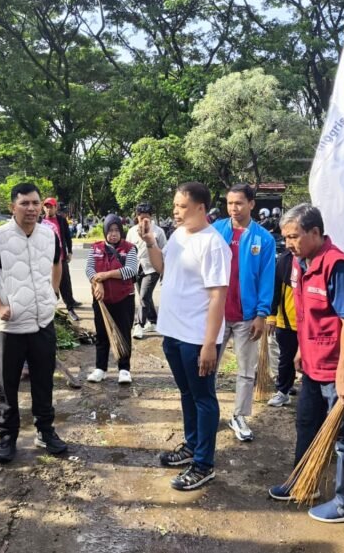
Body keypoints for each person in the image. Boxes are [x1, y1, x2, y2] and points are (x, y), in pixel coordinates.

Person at [268, 203, 344, 523]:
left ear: (315, 232)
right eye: (285, 237)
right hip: (313, 362)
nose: (288, 243)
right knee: (306, 423)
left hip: (339, 366)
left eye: (294, 236)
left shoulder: (336, 266)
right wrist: (301, 349)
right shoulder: (302, 261)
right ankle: (304, 480)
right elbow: (306, 314)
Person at [141, 182, 230, 491]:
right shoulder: (178, 236)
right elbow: (164, 268)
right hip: (173, 332)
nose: (175, 212)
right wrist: (151, 243)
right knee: (187, 393)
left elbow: (219, 296)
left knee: (204, 398)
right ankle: (192, 446)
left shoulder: (214, 244)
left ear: (201, 208)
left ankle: (204, 464)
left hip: (197, 337)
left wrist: (209, 344)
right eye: (175, 206)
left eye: (181, 206)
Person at [0, 182, 68, 463]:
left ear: (42, 206)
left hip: (43, 324)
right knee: (7, 384)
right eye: (25, 203)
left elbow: (57, 264)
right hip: (11, 327)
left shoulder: (49, 235)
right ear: (12, 207)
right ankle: (7, 436)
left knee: (43, 381)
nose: (31, 208)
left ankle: (45, 431)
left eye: (35, 203)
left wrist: (53, 293)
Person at [213, 184, 275, 441]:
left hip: (246, 316)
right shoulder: (216, 231)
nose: (233, 208)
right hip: (216, 314)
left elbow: (266, 279)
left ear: (252, 204)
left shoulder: (264, 239)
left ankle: (239, 416)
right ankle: (207, 411)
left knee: (246, 370)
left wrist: (262, 314)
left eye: (239, 203)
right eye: (230, 203)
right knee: (207, 367)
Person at [85, 214, 139, 384]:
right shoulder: (96, 248)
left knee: (123, 333)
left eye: (116, 230)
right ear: (105, 231)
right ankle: (101, 369)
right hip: (101, 300)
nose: (113, 234)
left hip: (124, 299)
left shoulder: (129, 248)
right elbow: (89, 270)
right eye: (110, 230)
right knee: (102, 335)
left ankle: (124, 369)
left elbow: (130, 270)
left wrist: (105, 275)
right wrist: (97, 282)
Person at [127, 203, 166, 340]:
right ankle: (154, 321)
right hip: (137, 268)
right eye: (140, 217)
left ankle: (139, 325)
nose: (142, 220)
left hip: (152, 269)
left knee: (143, 296)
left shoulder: (158, 232)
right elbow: (128, 251)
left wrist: (163, 272)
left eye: (145, 218)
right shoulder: (132, 231)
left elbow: (164, 251)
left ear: (151, 217)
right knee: (146, 297)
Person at [266, 248, 297, 408]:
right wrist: (271, 315)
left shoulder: (318, 260)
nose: (292, 242)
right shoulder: (285, 260)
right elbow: (275, 289)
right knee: (286, 359)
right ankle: (283, 391)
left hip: (311, 324)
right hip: (287, 321)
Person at [42, 197, 82, 321]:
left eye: (51, 207)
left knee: (65, 282)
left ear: (55, 208)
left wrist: (69, 251)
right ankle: (52, 310)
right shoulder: (39, 222)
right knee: (49, 285)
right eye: (46, 206)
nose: (48, 209)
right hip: (46, 260)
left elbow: (67, 237)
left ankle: (70, 307)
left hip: (61, 257)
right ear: (43, 208)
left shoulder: (61, 220)